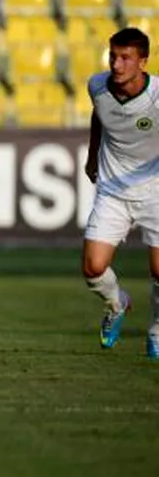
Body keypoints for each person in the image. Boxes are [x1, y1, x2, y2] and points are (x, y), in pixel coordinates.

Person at [81, 27, 159, 359]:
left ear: (143, 61)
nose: (116, 64)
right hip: (113, 189)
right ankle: (117, 304)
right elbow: (100, 116)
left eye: (126, 58)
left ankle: (156, 331)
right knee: (93, 268)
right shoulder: (97, 86)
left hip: (155, 189)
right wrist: (92, 152)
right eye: (113, 55)